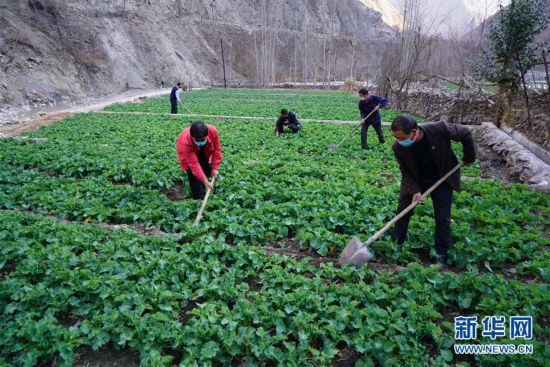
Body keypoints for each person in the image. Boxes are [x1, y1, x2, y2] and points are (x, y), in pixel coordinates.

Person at [389, 116, 476, 267]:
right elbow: (406, 172)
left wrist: (469, 156)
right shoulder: (398, 148)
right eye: (396, 138)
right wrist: (415, 191)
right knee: (403, 211)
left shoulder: (439, 129)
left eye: (402, 137)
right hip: (416, 178)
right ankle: (397, 243)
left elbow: (465, 133)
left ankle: (441, 252)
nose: (399, 141)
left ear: (414, 132)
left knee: (442, 218)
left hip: (442, 177)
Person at [176, 121, 222, 199]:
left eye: (203, 139)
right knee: (192, 173)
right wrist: (205, 182)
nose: (200, 142)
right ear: (192, 137)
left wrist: (215, 168)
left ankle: (205, 178)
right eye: (197, 140)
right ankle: (199, 198)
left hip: (205, 149)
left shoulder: (213, 131)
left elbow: (217, 150)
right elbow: (193, 164)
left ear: (206, 135)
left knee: (205, 163)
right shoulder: (185, 141)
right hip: (187, 152)